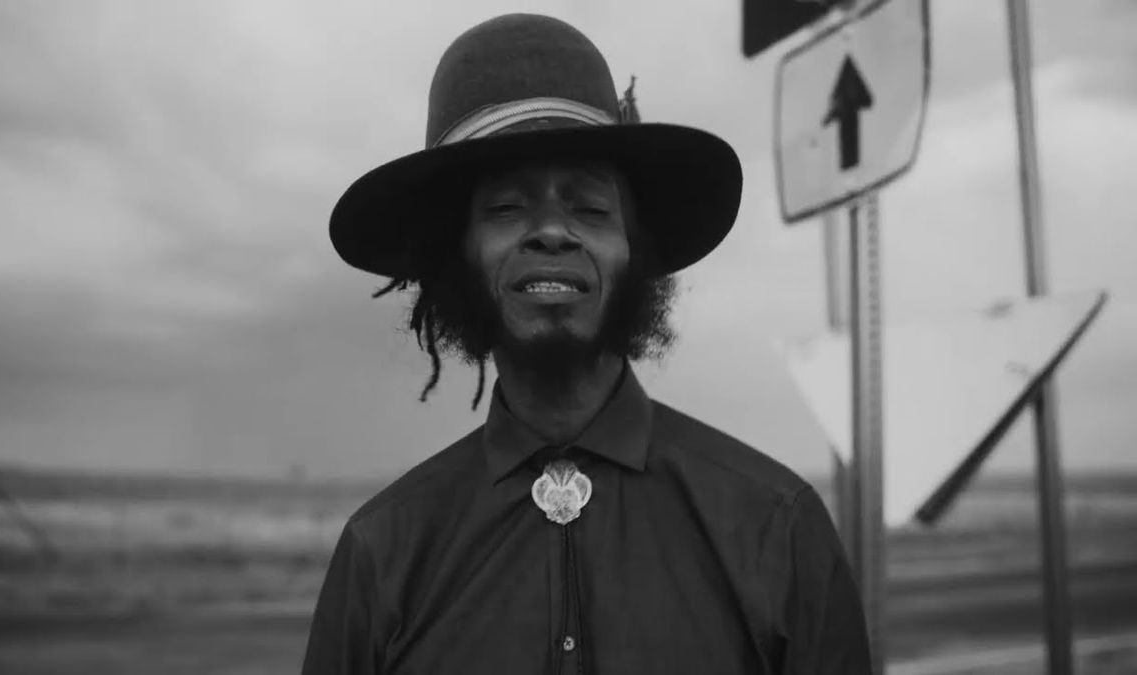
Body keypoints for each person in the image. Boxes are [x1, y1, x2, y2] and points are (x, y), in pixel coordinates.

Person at [303, 13, 871, 675]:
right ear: (457, 257)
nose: (551, 231)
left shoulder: (776, 527)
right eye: (505, 208)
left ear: (635, 250)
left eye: (591, 208)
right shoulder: (381, 553)